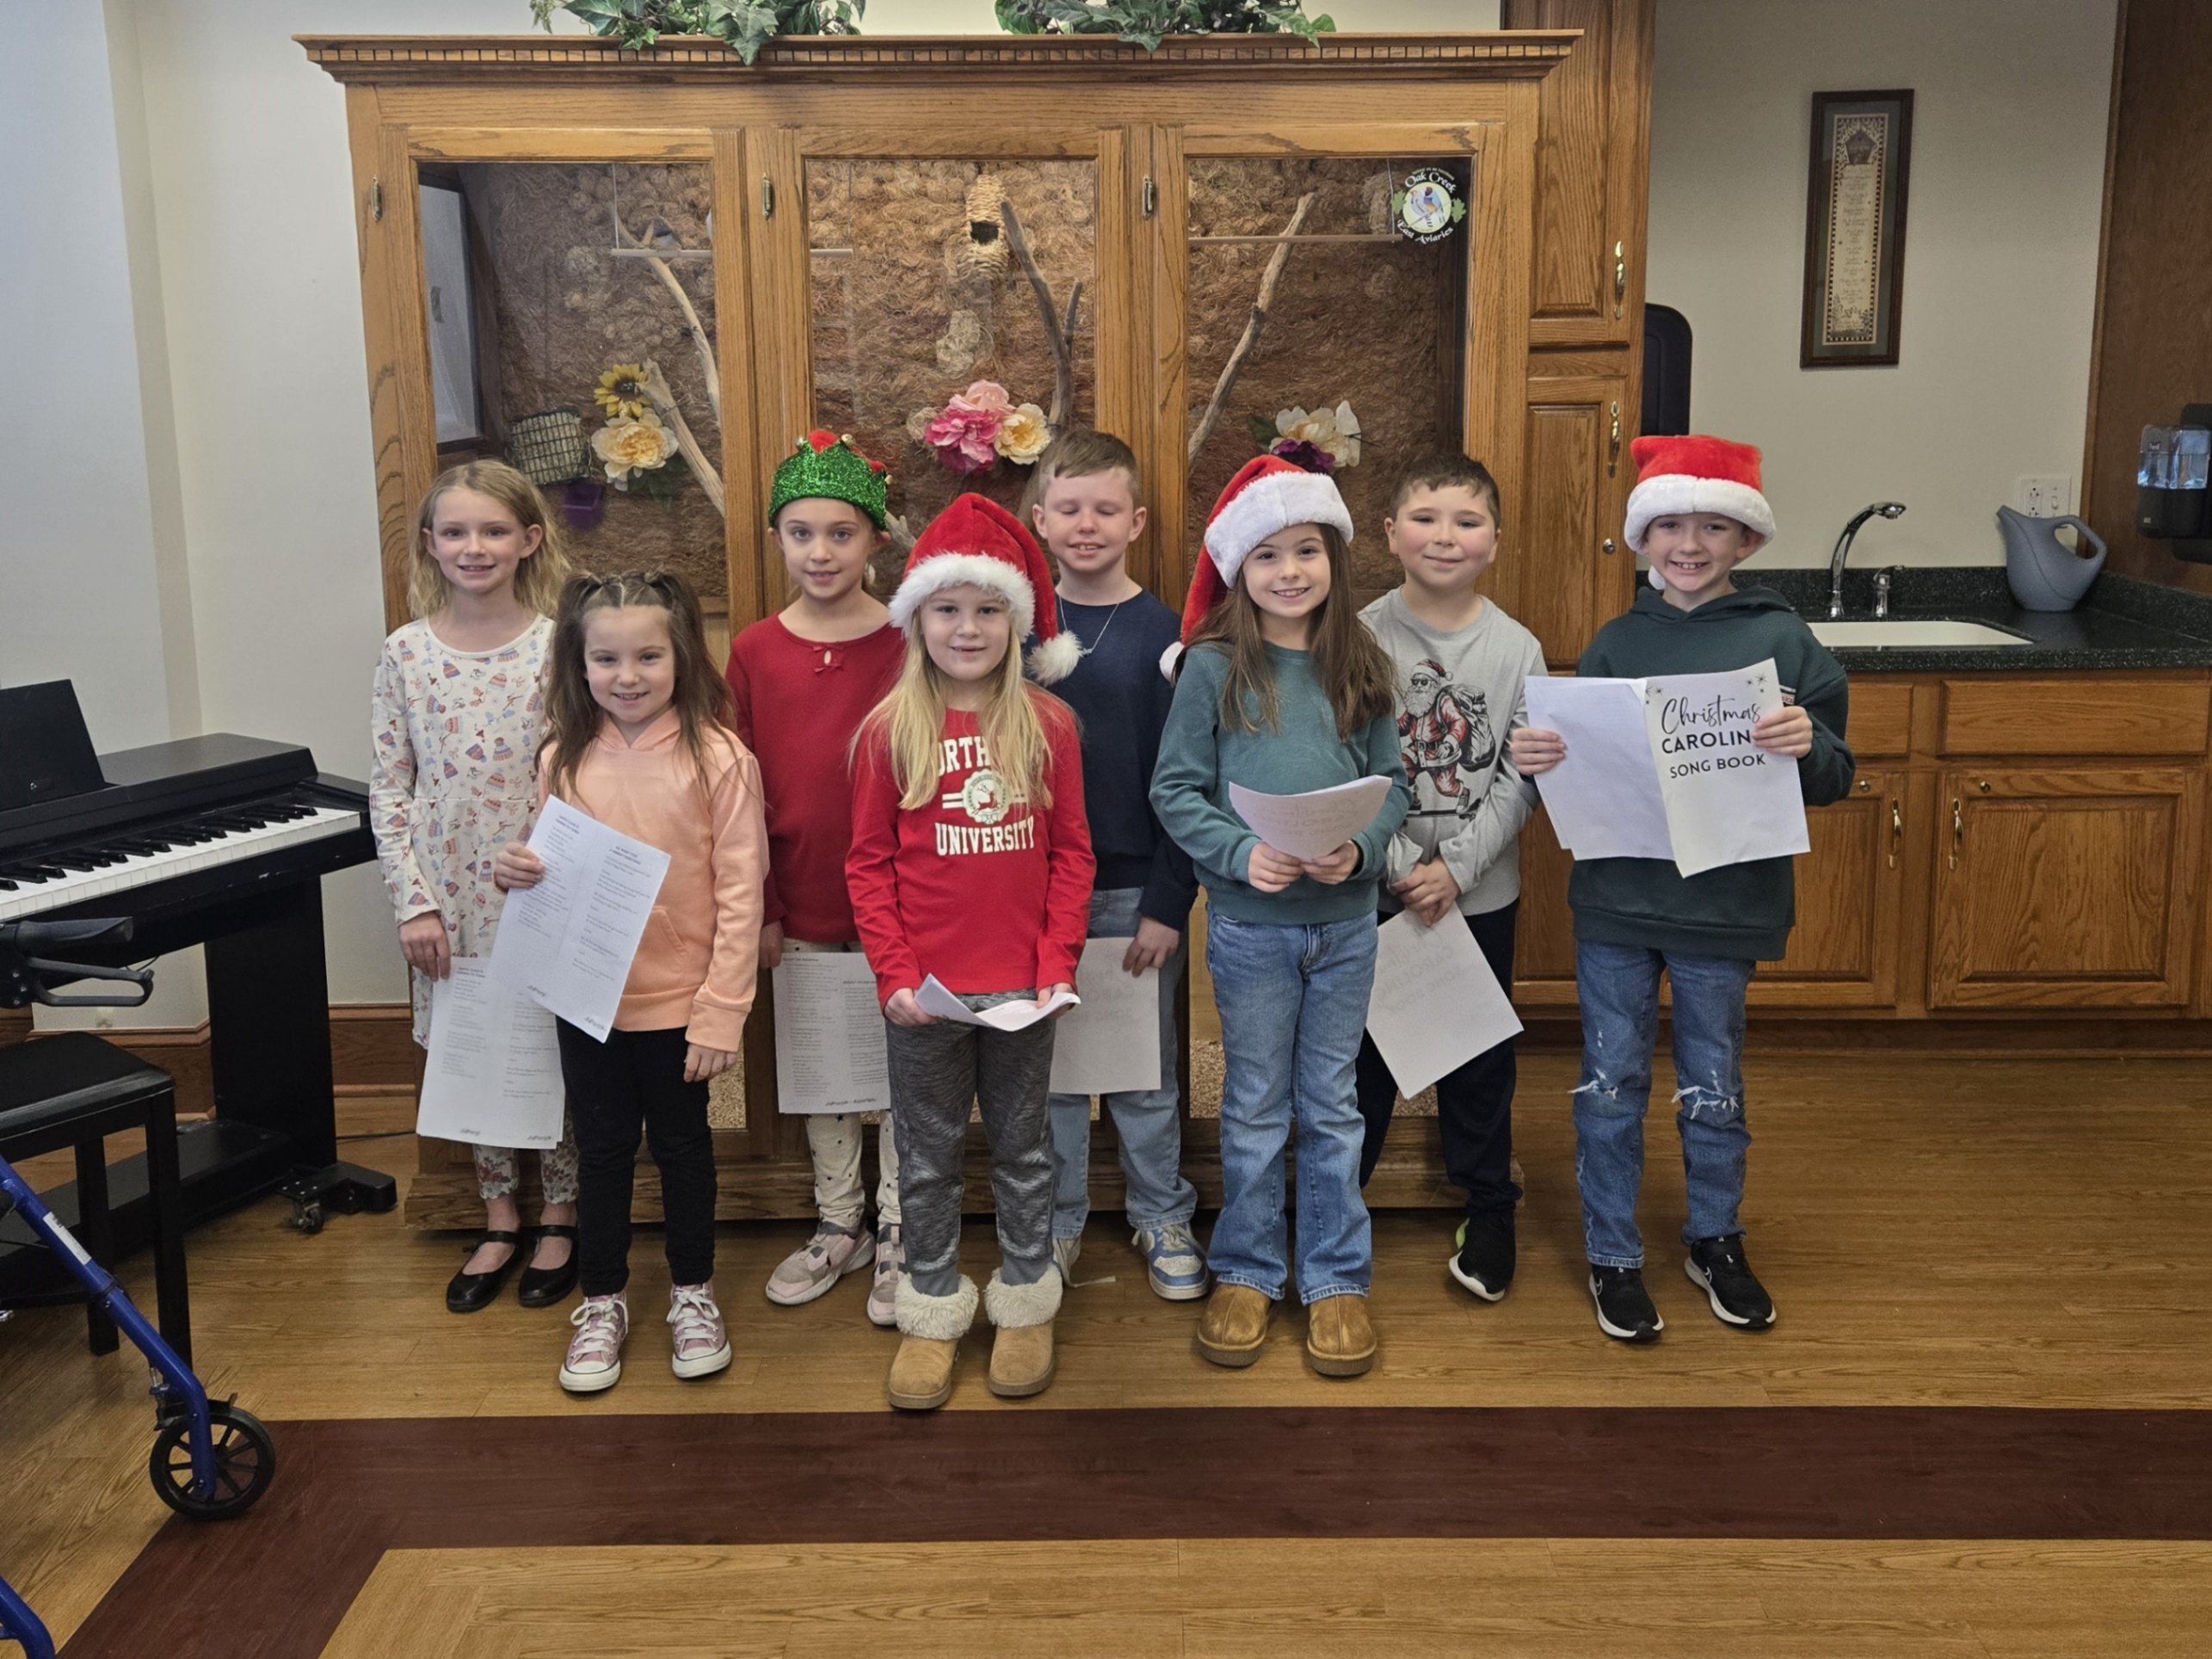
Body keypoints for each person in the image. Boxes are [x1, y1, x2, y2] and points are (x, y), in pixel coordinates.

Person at [1510, 435, 1853, 1342]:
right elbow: (1583, 769)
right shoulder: (1616, 642)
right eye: (1668, 525)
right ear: (1642, 537)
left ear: (1746, 538)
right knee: (1609, 1082)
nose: (1688, 544)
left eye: (1711, 526)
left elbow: (1835, 774)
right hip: (1617, 902)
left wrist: (1806, 744)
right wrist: (1539, 756)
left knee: (1713, 1083)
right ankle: (1612, 1252)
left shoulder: (1782, 639)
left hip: (1724, 905)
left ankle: (1714, 1238)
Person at [1150, 456, 1411, 1378]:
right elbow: (1175, 789)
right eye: (1267, 555)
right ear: (1238, 568)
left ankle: (1335, 1275)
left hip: (1344, 923)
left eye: (1306, 550)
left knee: (1333, 1104)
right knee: (1256, 1102)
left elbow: (1393, 784)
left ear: (1335, 557)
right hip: (1251, 925)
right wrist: (1237, 853)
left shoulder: (1361, 661)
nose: (1289, 571)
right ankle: (1249, 1269)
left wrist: (1362, 848)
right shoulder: (1211, 667)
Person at [847, 494, 1094, 1411]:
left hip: (1025, 992)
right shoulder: (887, 731)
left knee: (1024, 1149)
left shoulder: (1049, 726)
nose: (968, 627)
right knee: (927, 1155)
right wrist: (894, 974)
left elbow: (1072, 855)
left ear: (1016, 622)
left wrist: (1057, 963)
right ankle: (931, 1307)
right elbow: (868, 864)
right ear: (917, 618)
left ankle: (1026, 1298)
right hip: (925, 999)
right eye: (948, 608)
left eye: (989, 609)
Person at [495, 570, 767, 1393]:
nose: (627, 676)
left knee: (683, 1149)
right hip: (586, 1002)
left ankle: (692, 1292)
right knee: (603, 1149)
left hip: (680, 1005)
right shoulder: (562, 758)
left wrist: (720, 1012)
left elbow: (741, 891)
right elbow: (552, 870)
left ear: (680, 655)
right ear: (577, 666)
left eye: (648, 656)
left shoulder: (720, 759)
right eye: (605, 659)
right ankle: (602, 1299)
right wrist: (518, 871)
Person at [370, 459, 582, 1315]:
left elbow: (585, 768)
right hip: (448, 899)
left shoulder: (559, 645)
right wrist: (413, 902)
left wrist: (554, 854)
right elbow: (390, 787)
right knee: (477, 1047)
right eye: (455, 531)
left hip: (541, 884)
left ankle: (561, 1212)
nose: (474, 547)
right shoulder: (406, 653)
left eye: (494, 530)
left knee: (549, 1045)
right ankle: (499, 1215)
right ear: (430, 543)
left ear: (529, 539)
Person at [1355, 453, 1545, 1304]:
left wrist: (1456, 871)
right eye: (1425, 517)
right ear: (1390, 534)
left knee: (1478, 1056)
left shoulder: (1517, 649)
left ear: (1493, 542)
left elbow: (1519, 776)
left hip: (1480, 892)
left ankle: (1489, 1205)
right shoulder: (1358, 637)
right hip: (1375, 886)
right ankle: (1337, 1201)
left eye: (1467, 521)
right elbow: (1348, 764)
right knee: (1361, 1055)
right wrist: (1404, 868)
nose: (1445, 535)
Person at [1021, 429, 1205, 1300]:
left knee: (1144, 1069)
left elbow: (1190, 779)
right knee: (1052, 1074)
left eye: (1105, 509)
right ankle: (1058, 1218)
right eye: (1069, 508)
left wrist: (1170, 899)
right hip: (1034, 890)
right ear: (1040, 519)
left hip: (1136, 890)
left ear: (1135, 521)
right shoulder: (1015, 630)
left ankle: (1160, 1210)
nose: (1086, 524)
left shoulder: (1168, 637)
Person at [729, 433, 909, 1324]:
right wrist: (762, 906)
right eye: (801, 533)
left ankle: (903, 1219)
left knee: (908, 1063)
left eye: (841, 533)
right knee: (825, 1063)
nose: (821, 552)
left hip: (903, 900)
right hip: (798, 898)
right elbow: (735, 789)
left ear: (875, 538)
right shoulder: (755, 651)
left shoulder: (911, 638)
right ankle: (842, 1219)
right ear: (777, 538)